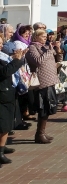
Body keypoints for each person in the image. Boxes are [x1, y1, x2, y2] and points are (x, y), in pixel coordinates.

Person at [25, 29, 62, 144]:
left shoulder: (45, 47)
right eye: (43, 37)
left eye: (46, 36)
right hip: (41, 82)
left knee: (48, 107)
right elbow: (38, 61)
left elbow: (58, 59)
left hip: (50, 80)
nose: (45, 38)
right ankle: (39, 134)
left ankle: (42, 132)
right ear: (36, 37)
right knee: (43, 108)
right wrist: (49, 51)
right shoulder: (32, 48)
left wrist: (58, 49)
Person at [0, 38, 25, 166]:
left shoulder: (3, 55)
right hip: (2, 93)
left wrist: (18, 58)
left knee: (6, 124)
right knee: (2, 124)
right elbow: (5, 72)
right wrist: (16, 60)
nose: (1, 45)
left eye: (1, 43)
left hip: (8, 91)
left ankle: (2, 148)